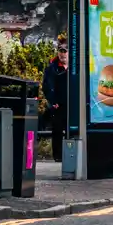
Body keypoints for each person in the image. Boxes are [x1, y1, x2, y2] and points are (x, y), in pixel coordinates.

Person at [42, 34, 69, 163]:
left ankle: (71, 154)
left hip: (72, 103)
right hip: (58, 104)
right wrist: (53, 102)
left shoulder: (75, 68)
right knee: (57, 130)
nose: (62, 54)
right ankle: (58, 156)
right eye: (60, 51)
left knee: (72, 129)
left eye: (65, 52)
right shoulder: (52, 69)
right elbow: (46, 86)